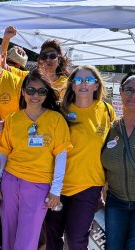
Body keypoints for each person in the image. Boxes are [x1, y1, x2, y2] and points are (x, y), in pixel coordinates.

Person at [0, 69, 72, 250]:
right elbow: (3, 152)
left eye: (41, 91)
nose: (35, 95)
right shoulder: (13, 119)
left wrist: (55, 191)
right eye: (30, 90)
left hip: (38, 186)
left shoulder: (56, 120)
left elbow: (61, 157)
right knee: (8, 236)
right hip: (10, 183)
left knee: (27, 240)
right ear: (23, 92)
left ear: (47, 93)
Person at [45, 65, 115, 249]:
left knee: (77, 240)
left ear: (96, 85)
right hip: (56, 186)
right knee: (53, 236)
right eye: (78, 80)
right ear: (72, 86)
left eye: (89, 80)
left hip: (88, 186)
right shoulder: (60, 110)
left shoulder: (107, 111)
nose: (83, 84)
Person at [101, 71, 135, 250]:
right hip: (115, 202)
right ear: (121, 92)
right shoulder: (111, 127)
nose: (133, 95)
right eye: (129, 90)